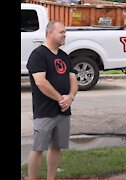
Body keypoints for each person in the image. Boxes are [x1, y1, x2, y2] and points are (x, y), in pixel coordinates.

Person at [26, 20, 78, 179]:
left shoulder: (64, 56)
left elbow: (73, 80)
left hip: (63, 111)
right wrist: (60, 99)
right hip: (45, 111)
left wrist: (70, 97)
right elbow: (40, 82)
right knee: (38, 148)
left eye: (64, 32)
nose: (65, 35)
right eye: (61, 32)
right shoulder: (38, 55)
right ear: (50, 33)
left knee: (57, 147)